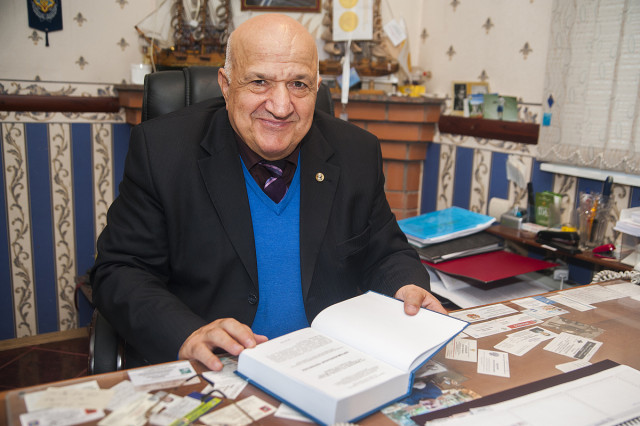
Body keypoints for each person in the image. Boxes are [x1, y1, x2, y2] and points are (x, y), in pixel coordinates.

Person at [91, 13, 445, 372]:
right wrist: (186, 332)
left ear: (317, 88)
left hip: (330, 368)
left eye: (298, 84)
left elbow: (386, 252)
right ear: (226, 85)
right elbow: (120, 270)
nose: (280, 106)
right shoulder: (162, 151)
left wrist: (406, 287)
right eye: (259, 82)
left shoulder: (356, 152)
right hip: (217, 370)